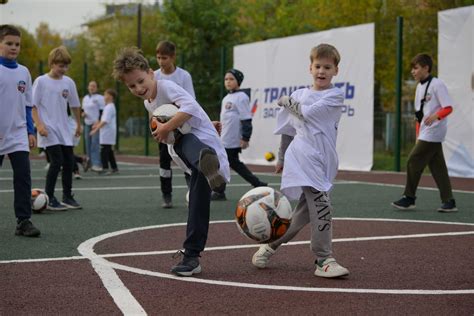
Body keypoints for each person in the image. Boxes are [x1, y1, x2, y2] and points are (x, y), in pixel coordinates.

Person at [113, 47, 230, 277]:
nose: (138, 88)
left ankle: (191, 255)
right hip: (189, 153)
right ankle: (192, 256)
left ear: (151, 72)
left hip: (197, 145)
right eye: (131, 86)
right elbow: (162, 120)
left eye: (140, 81)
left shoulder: (167, 86)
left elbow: (191, 106)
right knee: (197, 201)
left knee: (196, 198)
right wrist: (159, 129)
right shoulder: (149, 102)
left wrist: (167, 126)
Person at [252, 43, 349, 278]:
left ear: (336, 70)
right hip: (302, 157)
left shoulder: (335, 96)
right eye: (317, 66)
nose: (321, 71)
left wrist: (285, 101)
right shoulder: (299, 94)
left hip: (323, 161)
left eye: (327, 67)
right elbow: (288, 129)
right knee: (322, 205)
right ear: (310, 67)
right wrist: (282, 157)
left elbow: (305, 113)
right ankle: (324, 259)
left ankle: (270, 244)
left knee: (304, 213)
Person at [392, 53, 457, 212]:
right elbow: (418, 115)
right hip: (425, 132)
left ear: (426, 68)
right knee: (438, 167)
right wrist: (417, 136)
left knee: (413, 160)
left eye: (416, 68)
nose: (413, 72)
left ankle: (409, 198)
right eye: (412, 69)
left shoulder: (437, 84)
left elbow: (448, 107)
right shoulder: (419, 87)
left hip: (434, 131)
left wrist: (435, 116)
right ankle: (449, 201)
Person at [0, 24, 41, 237]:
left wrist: (31, 131)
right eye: (8, 43)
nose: (13, 47)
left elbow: (27, 105)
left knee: (23, 176)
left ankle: (23, 221)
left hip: (18, 135)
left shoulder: (24, 71)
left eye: (17, 44)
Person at [32, 45, 82, 211]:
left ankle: (67, 196)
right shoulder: (41, 81)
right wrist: (39, 124)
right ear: (52, 64)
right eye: (61, 65)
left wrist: (78, 124)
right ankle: (50, 197)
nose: (64, 69)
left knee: (69, 161)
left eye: (66, 66)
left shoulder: (68, 82)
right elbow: (33, 106)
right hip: (48, 129)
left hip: (64, 129)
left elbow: (75, 105)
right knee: (57, 161)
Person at [211, 69, 267, 201]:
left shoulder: (242, 97)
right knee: (232, 163)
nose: (228, 82)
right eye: (226, 79)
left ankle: (220, 191)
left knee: (224, 163)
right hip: (224, 138)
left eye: (231, 79)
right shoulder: (226, 98)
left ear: (238, 82)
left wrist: (245, 137)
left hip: (233, 139)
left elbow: (246, 118)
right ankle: (257, 183)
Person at [154, 40, 195, 208]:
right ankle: (166, 195)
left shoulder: (183, 76)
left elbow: (190, 101)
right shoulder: (155, 76)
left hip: (181, 125)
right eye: (158, 58)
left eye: (164, 58)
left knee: (186, 160)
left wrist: (177, 117)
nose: (161, 61)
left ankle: (192, 193)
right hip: (162, 126)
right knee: (164, 162)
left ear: (173, 57)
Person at [90, 88, 119, 175]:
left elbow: (105, 121)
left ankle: (105, 168)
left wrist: (95, 130)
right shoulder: (108, 107)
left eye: (105, 94)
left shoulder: (109, 107)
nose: (104, 96)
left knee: (104, 151)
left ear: (110, 96)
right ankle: (114, 167)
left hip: (107, 132)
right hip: (107, 132)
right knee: (109, 150)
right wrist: (96, 125)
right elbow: (103, 119)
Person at [81, 81, 105, 172]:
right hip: (87, 123)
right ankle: (89, 163)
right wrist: (83, 114)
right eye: (90, 86)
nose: (92, 87)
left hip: (96, 123)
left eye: (94, 86)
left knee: (95, 143)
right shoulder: (85, 98)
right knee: (88, 144)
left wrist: (98, 122)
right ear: (88, 87)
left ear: (97, 88)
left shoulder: (100, 98)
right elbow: (82, 110)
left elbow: (102, 111)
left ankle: (96, 164)